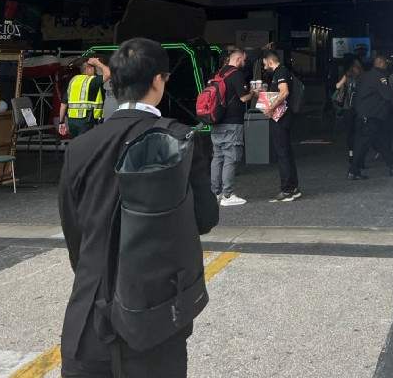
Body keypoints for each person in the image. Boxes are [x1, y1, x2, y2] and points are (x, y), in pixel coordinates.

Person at [59, 37, 219, 378]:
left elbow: (74, 233)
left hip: (88, 321)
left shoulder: (79, 148)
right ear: (159, 80)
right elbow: (206, 218)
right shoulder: (181, 139)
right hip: (156, 319)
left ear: (114, 83)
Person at [210, 47, 253, 207]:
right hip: (232, 123)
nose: (244, 62)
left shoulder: (218, 74)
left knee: (217, 158)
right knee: (230, 158)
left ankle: (215, 193)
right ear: (238, 58)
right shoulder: (236, 74)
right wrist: (253, 92)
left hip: (216, 121)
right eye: (244, 60)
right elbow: (243, 98)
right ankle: (227, 195)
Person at [349, 55, 393, 179]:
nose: (387, 65)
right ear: (381, 63)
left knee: (380, 143)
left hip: (364, 115)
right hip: (373, 116)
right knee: (364, 144)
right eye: (386, 63)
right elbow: (387, 95)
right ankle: (353, 171)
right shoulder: (380, 76)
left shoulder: (365, 75)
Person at [261, 49, 301, 202]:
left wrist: (270, 108)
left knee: (282, 153)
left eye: (264, 64)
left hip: (281, 118)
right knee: (287, 152)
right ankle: (293, 187)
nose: (264, 67)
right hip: (284, 117)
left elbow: (284, 92)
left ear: (270, 61)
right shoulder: (281, 72)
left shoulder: (280, 72)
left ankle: (287, 190)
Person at [59, 59, 104, 138]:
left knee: (76, 143)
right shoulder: (92, 80)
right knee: (87, 144)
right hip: (86, 121)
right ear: (88, 68)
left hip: (72, 121)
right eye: (94, 68)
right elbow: (108, 73)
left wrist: (61, 122)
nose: (96, 71)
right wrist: (98, 63)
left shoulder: (73, 81)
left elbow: (63, 104)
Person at [335, 60, 363, 162]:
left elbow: (337, 86)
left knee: (350, 132)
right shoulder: (362, 77)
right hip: (359, 108)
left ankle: (351, 154)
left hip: (348, 108)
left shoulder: (347, 76)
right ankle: (358, 153)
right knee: (358, 132)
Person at [86, 52, 119, 121]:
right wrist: (96, 64)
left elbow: (108, 73)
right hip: (105, 109)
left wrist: (98, 63)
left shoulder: (112, 71)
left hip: (114, 107)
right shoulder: (93, 75)